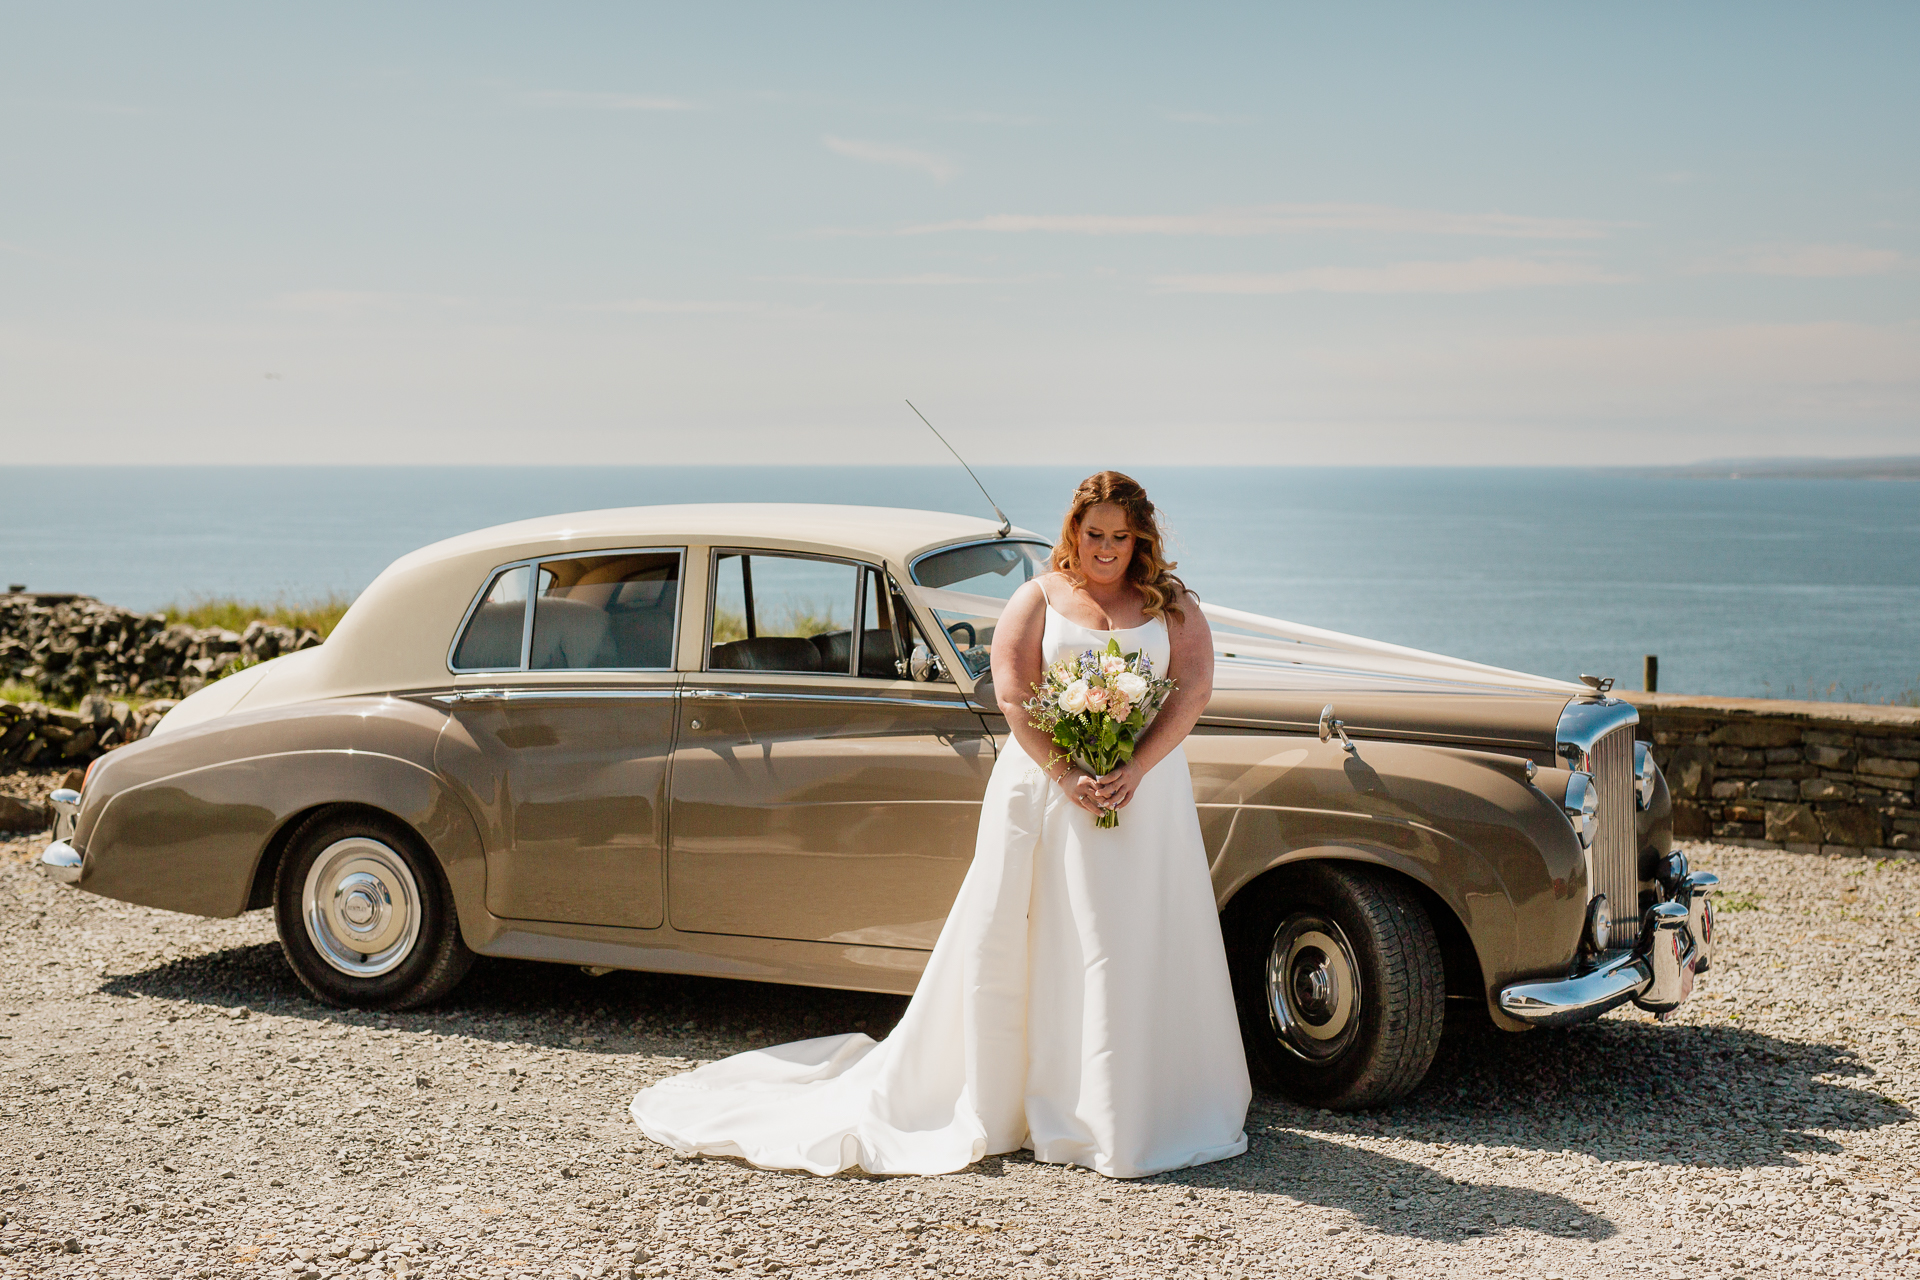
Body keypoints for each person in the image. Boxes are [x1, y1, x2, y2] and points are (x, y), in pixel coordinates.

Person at [628, 471, 1251, 1178]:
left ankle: (1141, 1103)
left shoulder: (1171, 604)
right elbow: (1016, 696)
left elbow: (1193, 689)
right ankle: (1027, 1099)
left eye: (1120, 536)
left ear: (1140, 538)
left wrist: (1133, 767)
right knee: (1042, 935)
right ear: (1075, 530)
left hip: (1145, 792)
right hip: (1048, 789)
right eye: (1093, 533)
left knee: (1134, 933)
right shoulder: (1038, 597)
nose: (1105, 548)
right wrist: (1068, 774)